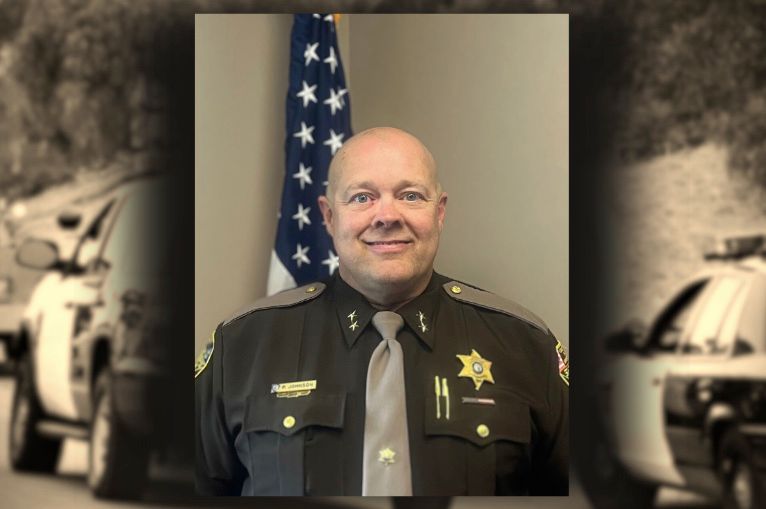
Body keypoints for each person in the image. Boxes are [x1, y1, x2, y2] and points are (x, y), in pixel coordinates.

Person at [195, 127, 568, 497]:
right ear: (328, 217)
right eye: (362, 197)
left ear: (439, 212)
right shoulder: (242, 345)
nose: (387, 215)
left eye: (410, 196)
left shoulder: (525, 346)